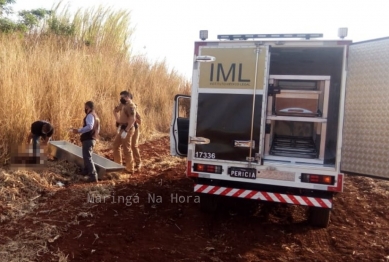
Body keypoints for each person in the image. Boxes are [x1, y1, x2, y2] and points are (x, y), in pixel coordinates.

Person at [71, 101, 101, 183]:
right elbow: (98, 129)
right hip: (93, 139)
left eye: (85, 107)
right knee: (87, 156)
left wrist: (79, 130)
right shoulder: (96, 117)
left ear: (89, 107)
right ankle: (86, 172)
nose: (85, 108)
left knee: (87, 157)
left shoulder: (90, 115)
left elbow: (90, 126)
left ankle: (93, 176)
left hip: (88, 139)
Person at [113, 91, 137, 174]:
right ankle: (117, 166)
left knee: (126, 148)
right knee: (115, 145)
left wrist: (126, 130)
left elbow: (132, 119)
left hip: (128, 129)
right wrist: (118, 120)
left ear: (127, 97)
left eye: (122, 97)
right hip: (122, 128)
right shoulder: (123, 104)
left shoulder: (131, 106)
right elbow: (115, 111)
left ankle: (130, 169)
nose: (121, 99)